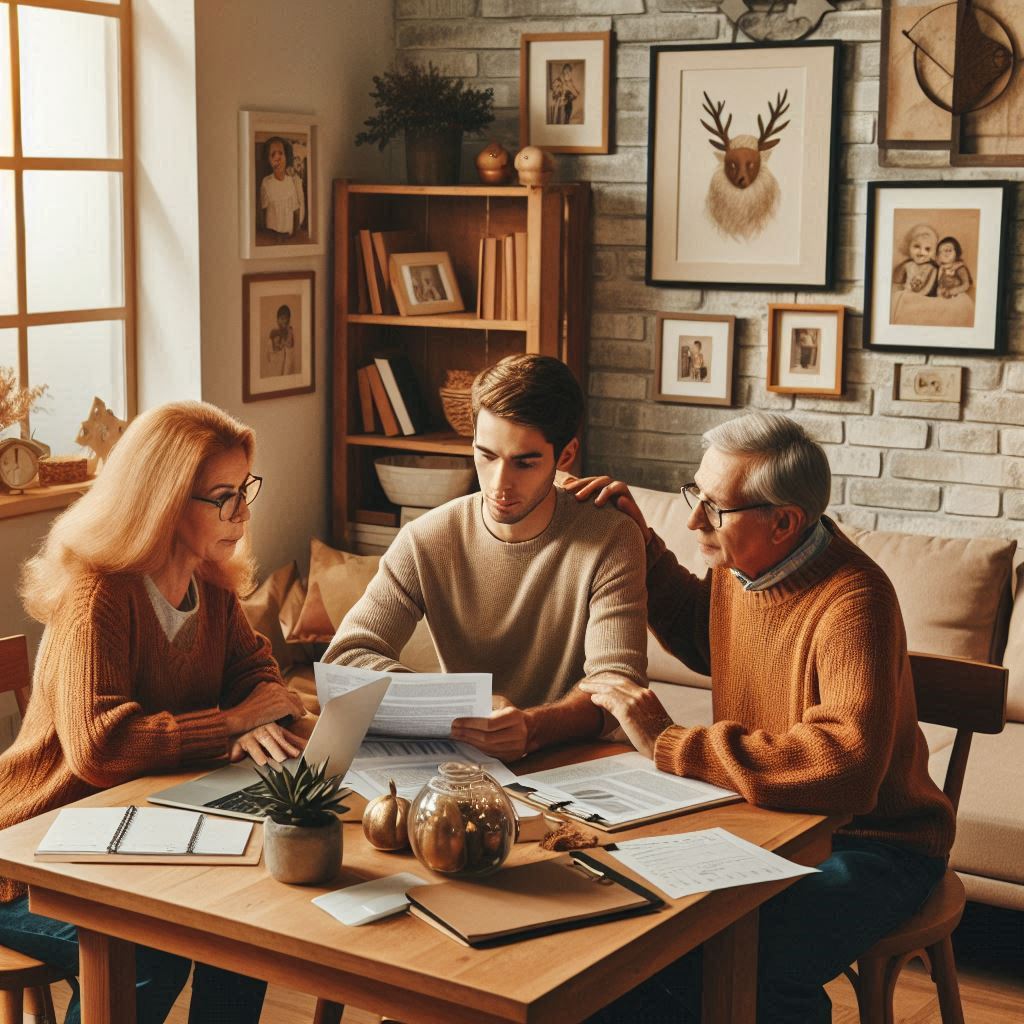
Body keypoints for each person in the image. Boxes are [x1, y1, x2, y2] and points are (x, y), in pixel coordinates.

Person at [565, 412, 953, 1024]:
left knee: (753, 957)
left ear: (784, 521)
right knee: (630, 933)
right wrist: (642, 541)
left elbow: (846, 768)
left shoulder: (855, 600)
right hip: (764, 820)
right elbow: (708, 638)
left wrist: (671, 742)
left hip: (875, 843)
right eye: (694, 493)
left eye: (712, 507)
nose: (693, 517)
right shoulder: (741, 566)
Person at [0, 401, 309, 1024]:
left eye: (244, 489)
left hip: (134, 831)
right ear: (165, 500)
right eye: (223, 496)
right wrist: (229, 725)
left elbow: (256, 675)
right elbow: (100, 746)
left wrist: (262, 715)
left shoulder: (211, 580)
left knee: (242, 930)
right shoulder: (100, 593)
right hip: (30, 853)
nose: (242, 513)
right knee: (147, 954)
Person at [323, 354, 648, 760]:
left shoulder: (611, 536)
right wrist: (457, 705)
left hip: (574, 761)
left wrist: (533, 728)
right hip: (463, 761)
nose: (500, 484)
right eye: (487, 455)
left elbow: (617, 682)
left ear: (565, 456)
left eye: (524, 463)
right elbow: (346, 658)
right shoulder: (427, 538)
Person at [260, 135, 305, 238]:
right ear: (268, 160)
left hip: (288, 235)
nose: (277, 158)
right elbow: (262, 211)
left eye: (281, 153)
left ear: (286, 156)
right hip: (271, 234)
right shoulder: (266, 182)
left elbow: (296, 210)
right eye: (273, 155)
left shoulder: (292, 181)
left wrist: (294, 233)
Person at [892, 223, 939, 295]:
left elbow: (927, 289)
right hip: (906, 296)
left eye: (927, 249)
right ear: (908, 246)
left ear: (934, 251)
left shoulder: (933, 269)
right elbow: (897, 283)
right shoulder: (907, 265)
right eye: (917, 246)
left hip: (921, 299)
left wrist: (914, 297)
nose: (921, 252)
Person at [269, 303, 297, 375]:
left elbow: (290, 345)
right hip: (277, 366)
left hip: (286, 366)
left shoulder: (290, 331)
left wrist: (289, 331)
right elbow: (275, 349)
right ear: (277, 320)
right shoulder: (274, 332)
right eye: (282, 318)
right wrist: (280, 344)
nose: (284, 321)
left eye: (286, 319)